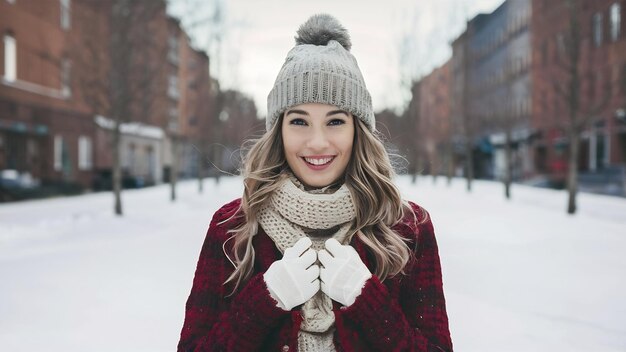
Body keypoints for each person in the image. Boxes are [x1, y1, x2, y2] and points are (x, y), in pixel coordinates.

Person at [178, 14, 453, 352]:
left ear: (358, 130)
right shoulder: (232, 228)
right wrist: (266, 300)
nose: (318, 142)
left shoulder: (407, 229)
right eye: (299, 121)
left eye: (335, 121)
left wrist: (367, 301)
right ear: (279, 130)